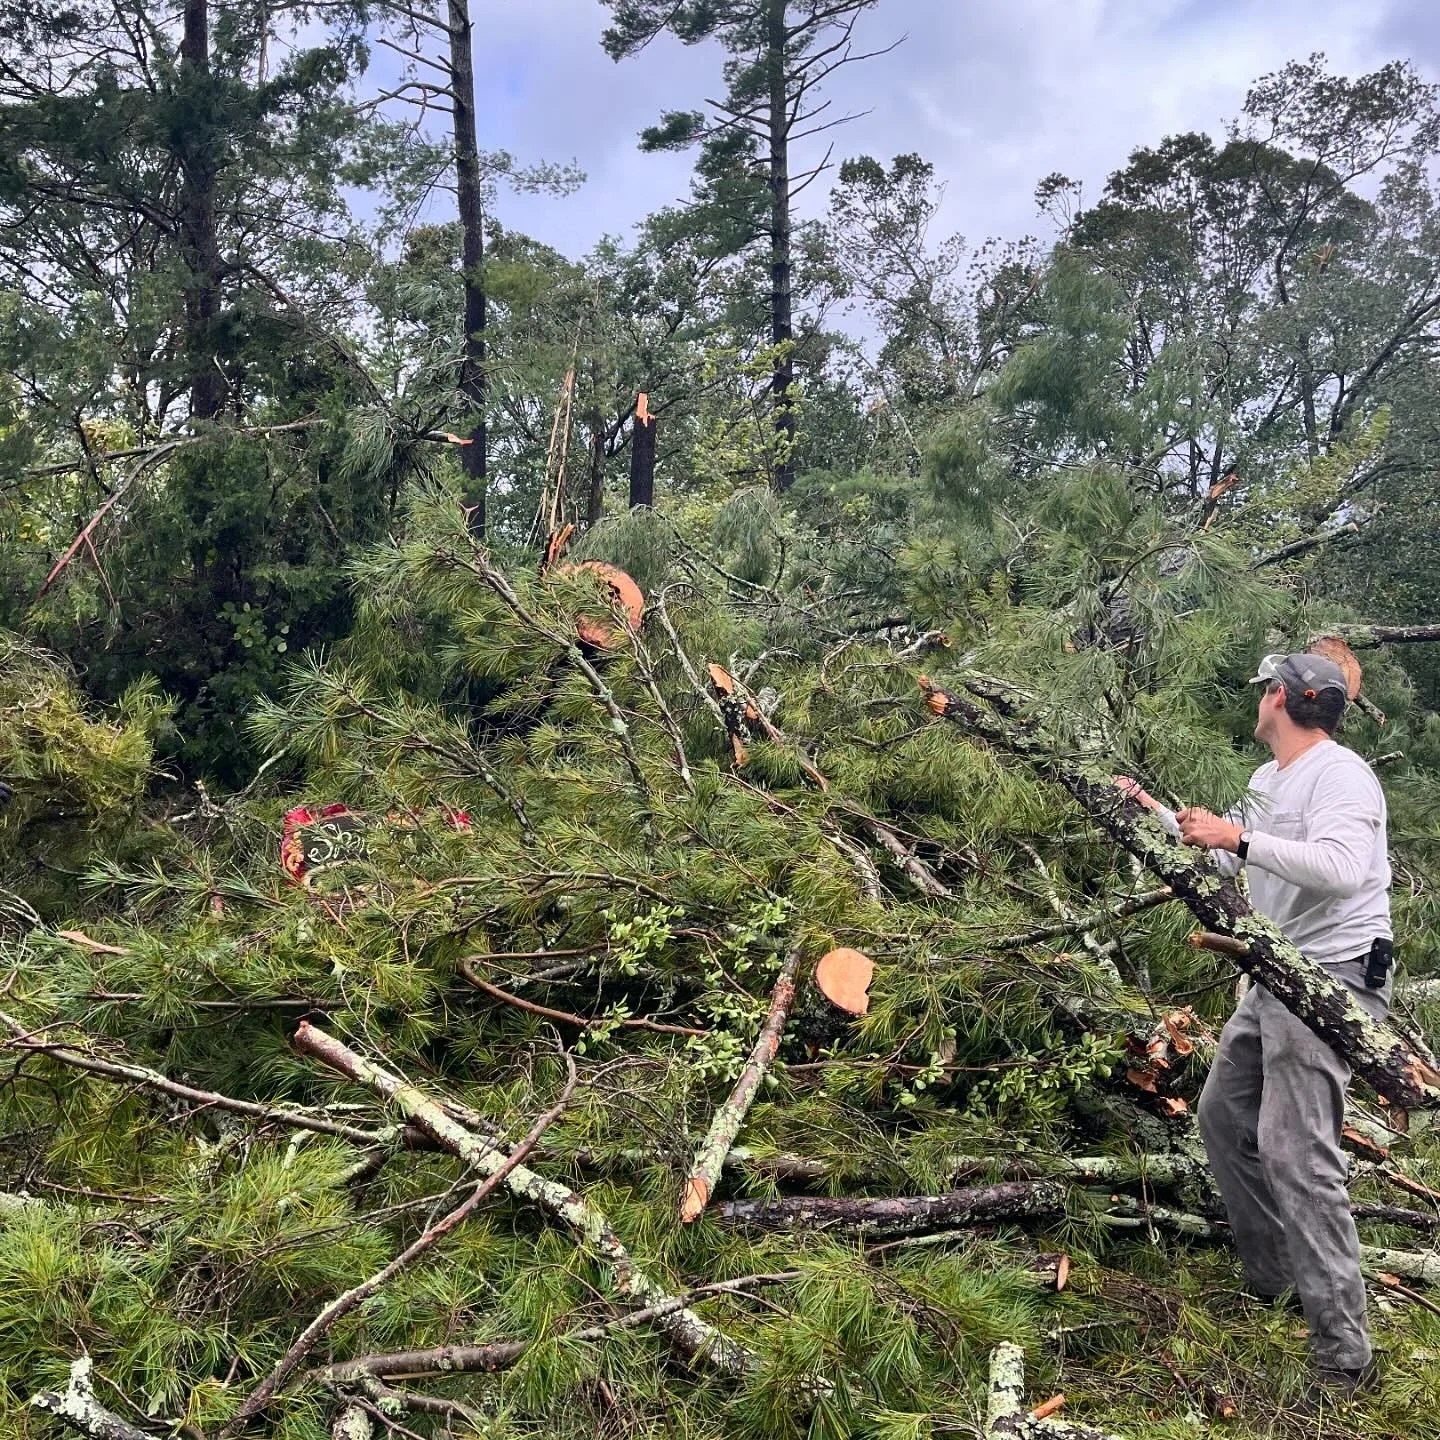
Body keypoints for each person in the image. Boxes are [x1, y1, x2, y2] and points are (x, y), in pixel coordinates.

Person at [1118, 652, 1393, 1404]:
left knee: (1295, 1151)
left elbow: (1337, 868)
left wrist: (1235, 838)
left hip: (1331, 982)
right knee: (1222, 1116)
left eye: (1265, 691)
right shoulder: (1269, 782)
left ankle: (1344, 1357)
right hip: (1275, 973)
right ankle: (1277, 1283)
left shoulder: (1340, 774)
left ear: (1282, 698)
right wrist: (1158, 814)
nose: (1259, 702)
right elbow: (1250, 873)